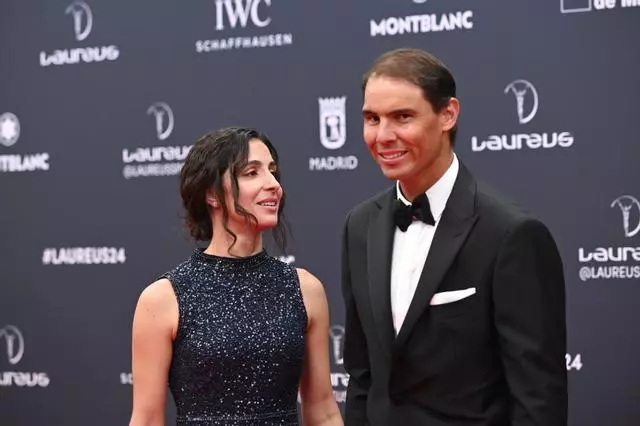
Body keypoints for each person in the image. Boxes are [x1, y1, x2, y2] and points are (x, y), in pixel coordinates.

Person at [340, 48, 568, 425]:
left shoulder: (511, 234)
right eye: (372, 119)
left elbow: (537, 396)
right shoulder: (359, 225)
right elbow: (363, 376)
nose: (383, 136)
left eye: (402, 117)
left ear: (448, 114)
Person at [129, 127, 343, 426]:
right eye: (251, 173)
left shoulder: (305, 288)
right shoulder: (163, 298)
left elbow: (323, 411)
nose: (273, 185)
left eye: (272, 171)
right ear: (211, 194)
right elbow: (147, 420)